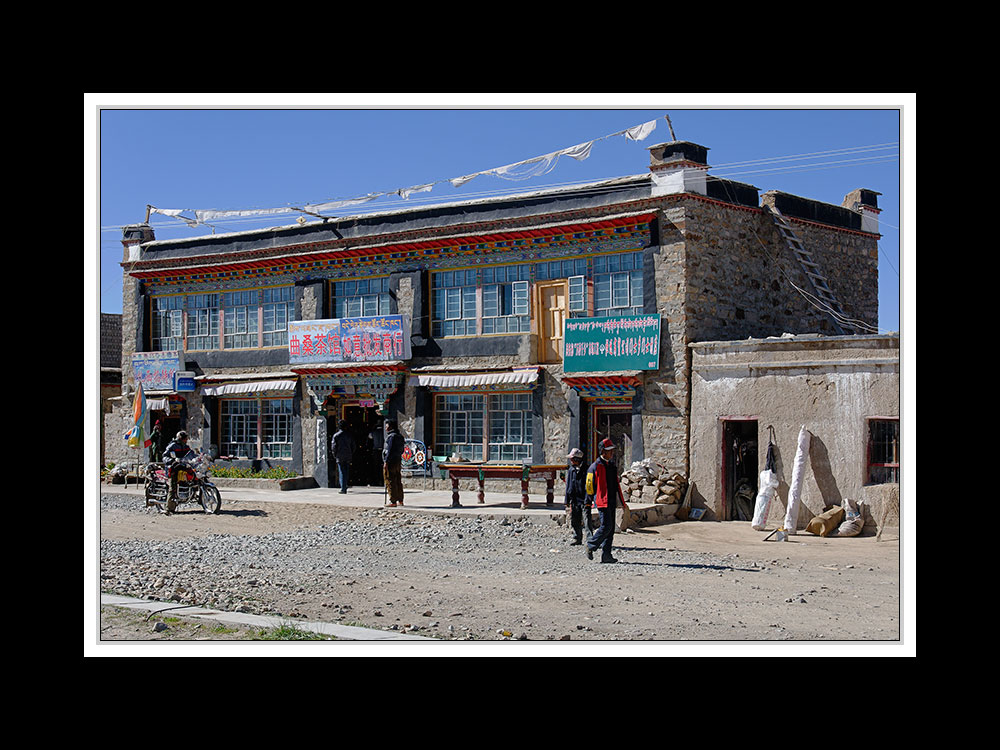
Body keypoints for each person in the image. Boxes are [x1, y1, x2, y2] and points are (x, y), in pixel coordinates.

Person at [585, 438, 624, 563]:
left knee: (611, 528)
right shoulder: (595, 467)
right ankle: (591, 544)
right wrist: (588, 500)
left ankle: (606, 555)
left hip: (612, 499)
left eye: (612, 451)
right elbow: (589, 486)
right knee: (606, 526)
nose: (611, 453)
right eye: (609, 451)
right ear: (602, 451)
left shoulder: (611, 465)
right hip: (602, 500)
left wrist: (621, 501)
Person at [564, 448, 595, 545]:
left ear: (578, 459)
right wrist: (567, 500)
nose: (571, 461)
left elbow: (589, 486)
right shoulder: (571, 470)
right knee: (575, 520)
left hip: (584, 499)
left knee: (587, 521)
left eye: (572, 459)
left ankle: (590, 539)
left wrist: (588, 499)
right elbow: (568, 486)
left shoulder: (587, 470)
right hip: (574, 500)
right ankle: (577, 538)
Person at [162, 430, 192, 514]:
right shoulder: (172, 446)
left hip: (183, 467)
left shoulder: (186, 446)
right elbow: (164, 457)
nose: (186, 440)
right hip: (173, 469)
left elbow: (191, 454)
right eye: (185, 439)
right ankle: (169, 509)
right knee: (172, 488)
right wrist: (172, 461)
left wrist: (198, 457)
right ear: (181, 438)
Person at [382, 419, 405, 507]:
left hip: (391, 461)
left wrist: (386, 461)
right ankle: (400, 499)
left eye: (387, 426)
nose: (386, 428)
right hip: (398, 460)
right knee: (398, 479)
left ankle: (393, 500)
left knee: (390, 479)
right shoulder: (400, 436)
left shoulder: (391, 437)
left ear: (390, 427)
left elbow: (389, 450)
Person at [331, 420, 356, 494]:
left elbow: (334, 447)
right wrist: (351, 453)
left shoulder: (336, 435)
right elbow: (353, 446)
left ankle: (343, 487)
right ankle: (344, 485)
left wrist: (335, 454)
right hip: (348, 455)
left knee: (341, 471)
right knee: (346, 471)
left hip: (340, 455)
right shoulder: (349, 435)